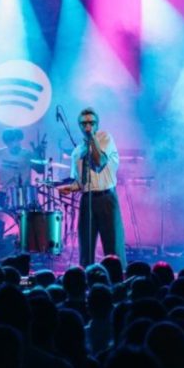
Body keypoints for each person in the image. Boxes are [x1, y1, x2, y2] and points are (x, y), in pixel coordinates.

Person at [66, 107, 125, 267]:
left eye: (91, 123)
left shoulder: (105, 138)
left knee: (113, 247)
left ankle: (116, 282)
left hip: (106, 198)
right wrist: (68, 188)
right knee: (86, 246)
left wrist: (92, 137)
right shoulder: (77, 152)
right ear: (79, 126)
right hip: (87, 200)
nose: (87, 126)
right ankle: (86, 282)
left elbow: (99, 163)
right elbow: (80, 183)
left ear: (97, 125)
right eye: (84, 123)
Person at [0, 128, 46, 209]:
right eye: (10, 141)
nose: (14, 143)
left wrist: (39, 155)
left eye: (16, 140)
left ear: (19, 140)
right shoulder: (0, 153)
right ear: (6, 142)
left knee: (20, 220)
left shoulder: (27, 154)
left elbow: (40, 170)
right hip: (3, 193)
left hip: (21, 193)